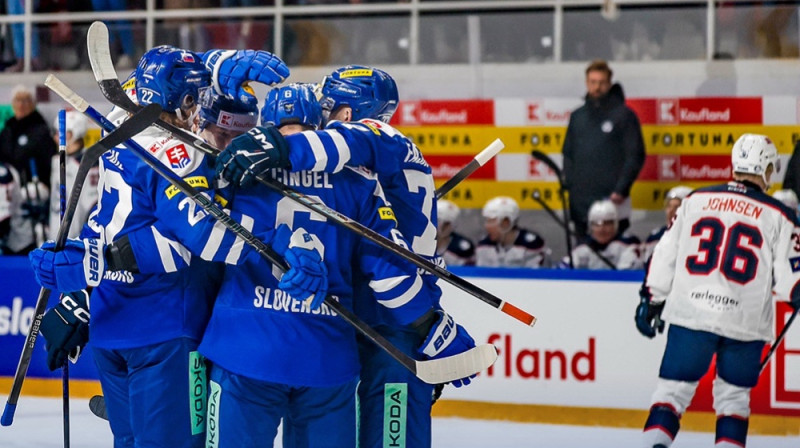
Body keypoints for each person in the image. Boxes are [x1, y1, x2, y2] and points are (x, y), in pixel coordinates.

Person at [28, 45, 289, 448]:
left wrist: (84, 284)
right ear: (191, 107)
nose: (226, 144)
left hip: (115, 323)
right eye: (220, 131)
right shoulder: (181, 153)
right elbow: (193, 241)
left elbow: (114, 225)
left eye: (238, 136)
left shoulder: (119, 123)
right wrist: (280, 244)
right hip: (163, 328)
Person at [215, 66, 476, 448]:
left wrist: (279, 146)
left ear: (348, 113)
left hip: (387, 323)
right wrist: (428, 322)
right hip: (383, 317)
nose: (322, 117)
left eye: (328, 107)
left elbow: (347, 141)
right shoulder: (365, 173)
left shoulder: (373, 140)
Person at [635, 133, 800, 448]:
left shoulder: (695, 200)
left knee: (670, 395)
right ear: (767, 169)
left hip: (691, 315)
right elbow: (790, 281)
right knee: (734, 401)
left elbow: (664, 254)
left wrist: (651, 299)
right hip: (745, 323)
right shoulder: (780, 215)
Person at [562, 59, 645, 237]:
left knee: (615, 250)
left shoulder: (624, 116)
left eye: (601, 82)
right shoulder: (577, 116)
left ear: (609, 84)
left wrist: (621, 190)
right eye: (593, 82)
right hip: (581, 204)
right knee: (582, 251)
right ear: (587, 83)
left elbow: (635, 155)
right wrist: (570, 185)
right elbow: (568, 154)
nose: (597, 87)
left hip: (613, 202)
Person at [48, 110, 98, 240]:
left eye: (64, 133)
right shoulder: (57, 160)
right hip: (54, 235)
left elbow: (93, 204)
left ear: (77, 132)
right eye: (56, 133)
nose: (57, 138)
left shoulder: (89, 163)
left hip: (77, 238)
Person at [0, 85, 57, 192]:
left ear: (33, 104)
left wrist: (44, 184)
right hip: (9, 187)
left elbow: (48, 161)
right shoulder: (8, 128)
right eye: (17, 100)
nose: (21, 105)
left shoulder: (41, 129)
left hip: (34, 188)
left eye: (25, 101)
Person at [559, 199, 642, 270]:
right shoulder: (583, 247)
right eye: (596, 224)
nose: (601, 229)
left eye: (607, 223)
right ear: (590, 226)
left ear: (615, 225)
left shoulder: (629, 245)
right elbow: (562, 270)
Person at [475, 196, 551, 268]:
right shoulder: (484, 245)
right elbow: (480, 274)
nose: (486, 226)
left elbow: (537, 275)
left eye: (491, 221)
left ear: (506, 222)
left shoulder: (531, 245)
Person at [641, 186, 692, 262]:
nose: (670, 211)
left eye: (676, 207)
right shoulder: (657, 236)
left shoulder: (691, 237)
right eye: (669, 206)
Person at [436, 199, 475, 266]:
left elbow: (469, 270)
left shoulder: (461, 247)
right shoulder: (420, 242)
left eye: (448, 224)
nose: (445, 227)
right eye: (438, 220)